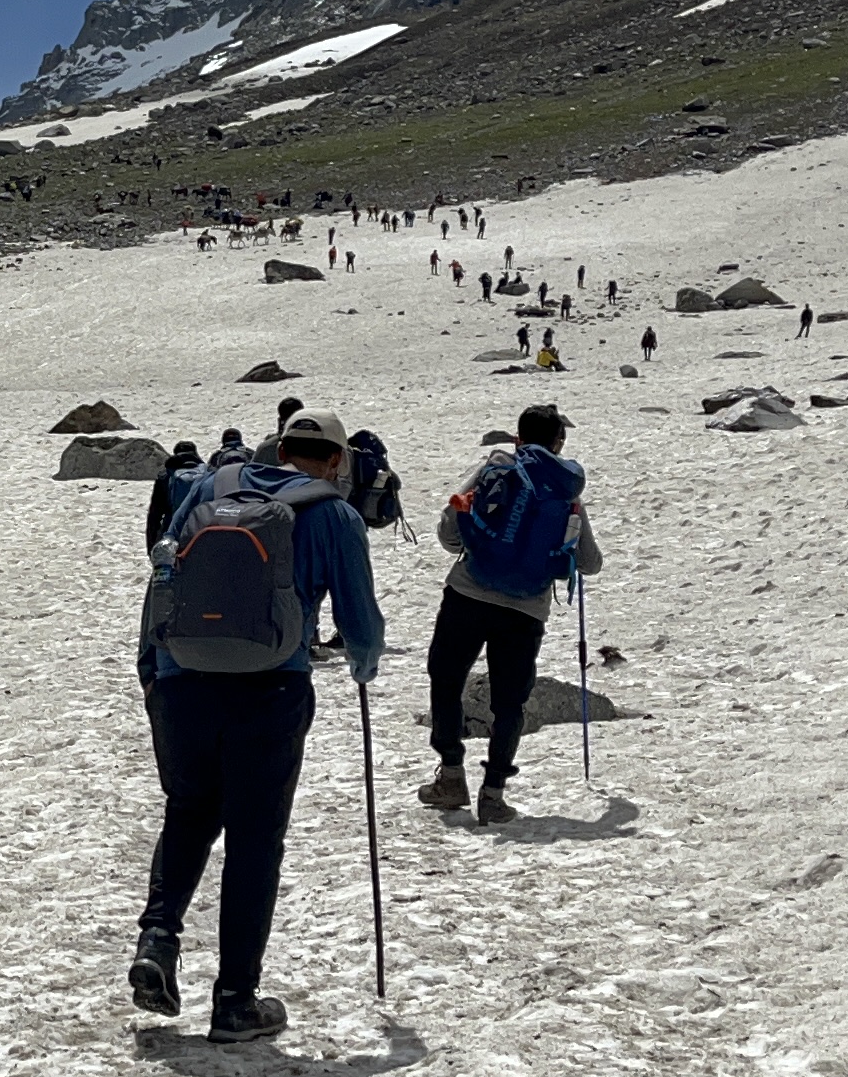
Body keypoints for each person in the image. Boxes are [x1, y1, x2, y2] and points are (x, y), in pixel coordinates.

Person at [131, 411, 385, 1043]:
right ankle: (236, 999)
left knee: (189, 811)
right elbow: (362, 626)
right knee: (254, 839)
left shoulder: (211, 488)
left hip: (181, 676)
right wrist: (361, 662)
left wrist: (152, 670)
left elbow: (162, 574)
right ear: (335, 462)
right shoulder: (333, 514)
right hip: (270, 689)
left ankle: (158, 942)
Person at [419, 403, 602, 825]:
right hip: (526, 609)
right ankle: (494, 794)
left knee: (446, 681)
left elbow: (449, 529)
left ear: (517, 438)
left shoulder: (496, 467)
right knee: (510, 702)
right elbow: (590, 562)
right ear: (560, 444)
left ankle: (451, 776)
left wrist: (482, 546)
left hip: (467, 593)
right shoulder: (566, 490)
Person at [146, 439, 205, 549]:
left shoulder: (166, 476)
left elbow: (155, 515)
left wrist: (151, 546)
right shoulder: (207, 474)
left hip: (172, 531)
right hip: (201, 529)